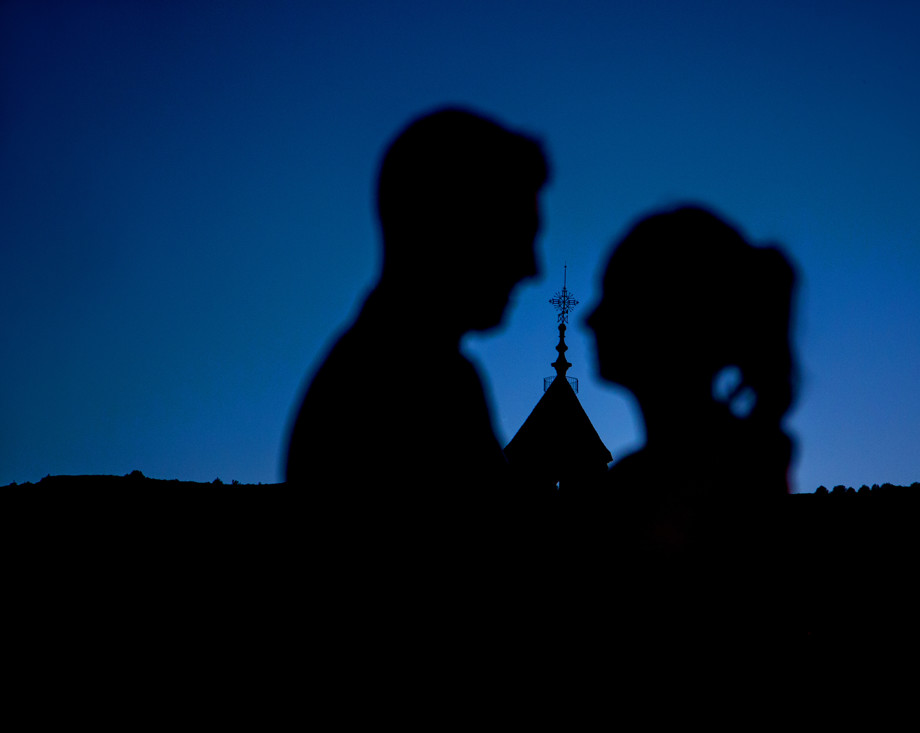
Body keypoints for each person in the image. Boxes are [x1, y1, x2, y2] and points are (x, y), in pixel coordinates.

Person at [285, 107, 548, 496]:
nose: (532, 268)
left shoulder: (410, 373)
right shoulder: (416, 388)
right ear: (450, 223)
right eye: (514, 234)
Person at [577, 205, 799, 659]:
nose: (590, 318)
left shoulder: (715, 477)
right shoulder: (734, 461)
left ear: (669, 313)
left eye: (615, 296)